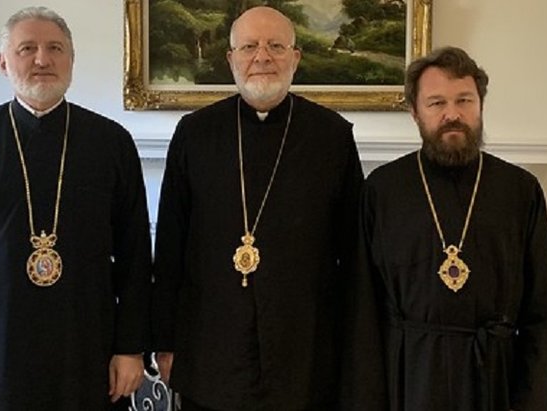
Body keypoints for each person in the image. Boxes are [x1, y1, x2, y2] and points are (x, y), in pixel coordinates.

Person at [0, 7, 152, 411]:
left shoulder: (112, 143)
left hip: (86, 346)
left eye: (55, 48)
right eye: (27, 48)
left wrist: (131, 349)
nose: (42, 59)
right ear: (3, 62)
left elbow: (136, 255)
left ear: (71, 59)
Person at [150, 6, 377, 410]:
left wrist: (352, 351)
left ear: (296, 58)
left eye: (275, 46)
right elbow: (170, 246)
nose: (262, 57)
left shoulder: (331, 136)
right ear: (231, 58)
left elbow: (354, 256)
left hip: (304, 353)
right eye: (249, 46)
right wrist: (165, 343)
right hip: (211, 350)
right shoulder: (195, 133)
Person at [360, 46, 547, 410]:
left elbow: (542, 314)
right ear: (414, 112)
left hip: (495, 379)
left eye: (464, 100)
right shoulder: (383, 189)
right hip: (408, 379)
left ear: (480, 105)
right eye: (436, 103)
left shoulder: (520, 190)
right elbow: (364, 308)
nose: (453, 114)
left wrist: (532, 402)